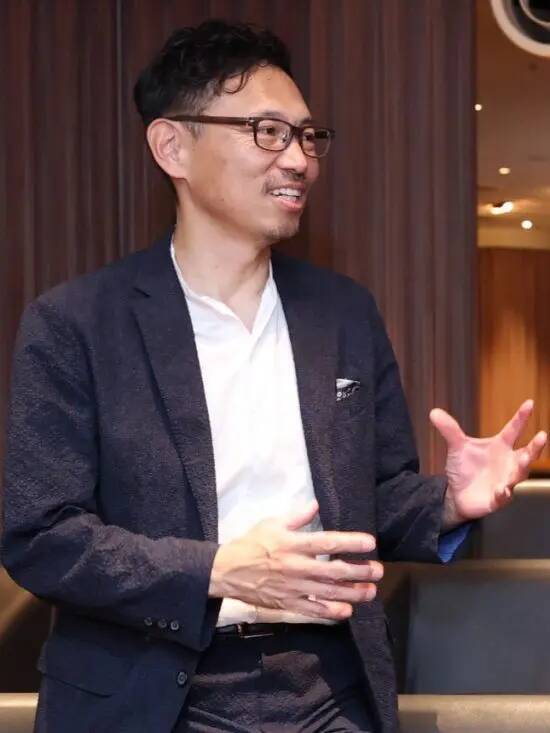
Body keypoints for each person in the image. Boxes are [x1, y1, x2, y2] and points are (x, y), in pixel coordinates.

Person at [1, 19, 546, 733]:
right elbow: (42, 536)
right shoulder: (76, 322)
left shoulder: (343, 313)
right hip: (151, 694)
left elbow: (370, 503)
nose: (298, 159)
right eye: (267, 132)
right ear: (172, 146)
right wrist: (217, 570)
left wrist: (447, 500)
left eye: (307, 136)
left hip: (329, 690)